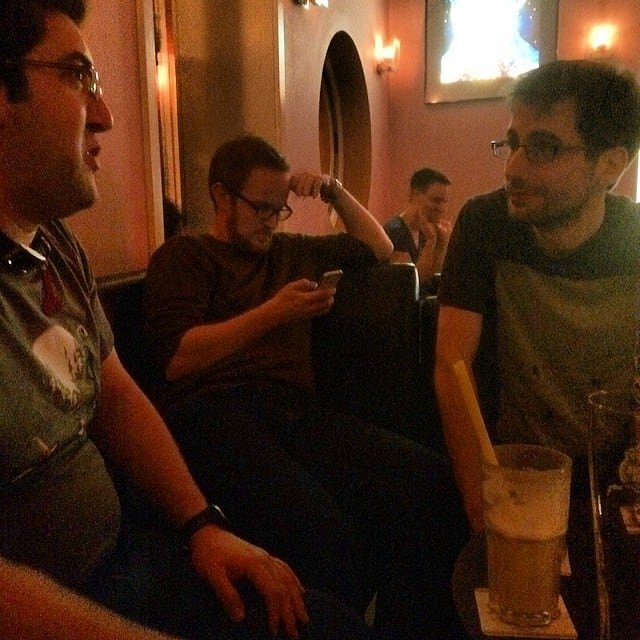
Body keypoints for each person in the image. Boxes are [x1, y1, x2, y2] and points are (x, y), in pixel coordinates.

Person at [0, 2, 370, 639]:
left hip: (130, 556)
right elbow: (174, 364)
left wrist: (203, 525)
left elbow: (115, 393)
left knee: (335, 614)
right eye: (78, 76)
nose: (105, 114)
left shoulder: (56, 243)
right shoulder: (186, 255)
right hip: (61, 606)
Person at [143, 134, 470, 639]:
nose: (272, 222)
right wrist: (274, 313)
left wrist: (334, 191)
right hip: (215, 415)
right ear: (222, 196)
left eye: (280, 209)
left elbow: (380, 247)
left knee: (432, 483)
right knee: (326, 535)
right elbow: (176, 360)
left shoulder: (291, 251)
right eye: (261, 209)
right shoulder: (185, 255)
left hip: (295, 412)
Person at [434, 59, 640, 534]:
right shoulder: (485, 225)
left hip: (611, 487)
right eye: (513, 144)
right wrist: (481, 507)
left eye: (543, 148)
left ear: (610, 164)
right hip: (513, 475)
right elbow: (451, 366)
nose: (513, 168)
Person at [384, 167, 452, 293]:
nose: (442, 208)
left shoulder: (425, 231)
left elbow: (435, 280)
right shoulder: (395, 231)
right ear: (414, 195)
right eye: (436, 201)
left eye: (445, 202)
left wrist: (441, 245)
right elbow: (410, 285)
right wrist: (431, 243)